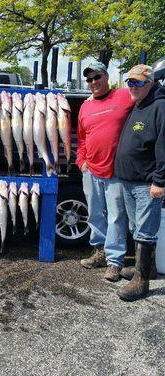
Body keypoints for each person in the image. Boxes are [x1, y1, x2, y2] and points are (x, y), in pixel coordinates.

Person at [76, 61, 134, 281]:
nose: (93, 82)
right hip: (91, 170)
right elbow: (81, 138)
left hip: (116, 171)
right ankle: (98, 251)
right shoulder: (85, 106)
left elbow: (147, 101)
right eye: (89, 79)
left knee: (117, 217)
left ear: (106, 76)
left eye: (97, 77)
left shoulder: (124, 96)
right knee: (94, 214)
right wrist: (81, 162)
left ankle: (115, 261)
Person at [114, 64, 165, 301]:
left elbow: (163, 147)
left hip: (147, 183)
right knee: (136, 228)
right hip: (128, 180)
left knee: (145, 232)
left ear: (150, 83)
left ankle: (141, 281)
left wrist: (159, 181)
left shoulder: (159, 107)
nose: (132, 87)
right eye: (130, 82)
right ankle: (147, 268)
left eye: (138, 83)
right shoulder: (138, 105)